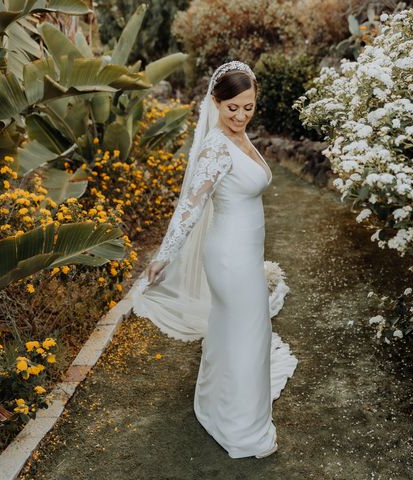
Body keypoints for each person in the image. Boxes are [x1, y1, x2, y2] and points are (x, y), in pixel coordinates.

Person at [130, 61, 298, 459]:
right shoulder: (215, 146)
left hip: (245, 251)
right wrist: (165, 255)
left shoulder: (241, 139)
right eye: (232, 108)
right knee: (249, 334)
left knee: (233, 332)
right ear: (215, 103)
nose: (241, 116)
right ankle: (243, 429)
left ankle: (217, 405)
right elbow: (191, 205)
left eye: (248, 107)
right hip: (229, 257)